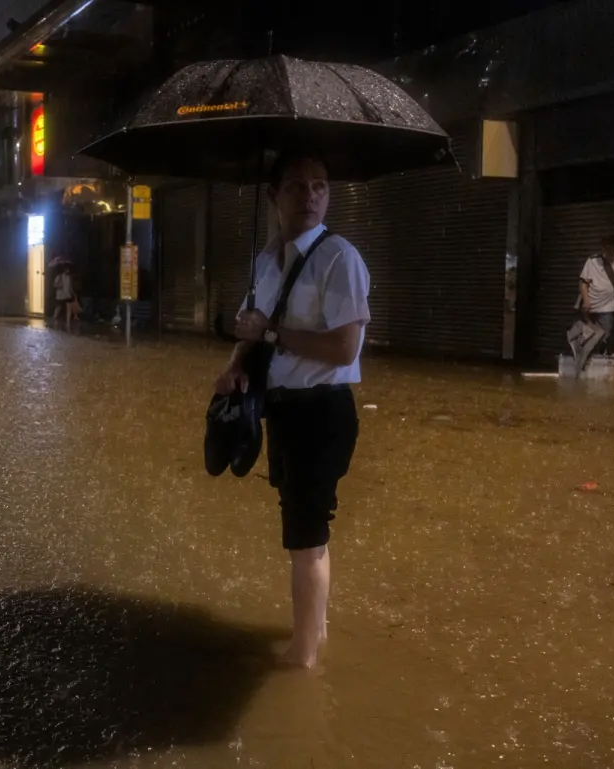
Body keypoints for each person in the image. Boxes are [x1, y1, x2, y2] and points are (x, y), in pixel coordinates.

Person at [215, 154, 371, 669]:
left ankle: (302, 658)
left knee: (305, 536)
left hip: (323, 412)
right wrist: (236, 363)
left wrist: (272, 333)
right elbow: (254, 330)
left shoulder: (339, 258)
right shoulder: (265, 261)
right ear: (273, 197)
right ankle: (315, 633)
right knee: (307, 527)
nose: (310, 196)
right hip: (281, 410)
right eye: (297, 186)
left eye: (320, 186)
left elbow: (344, 348)